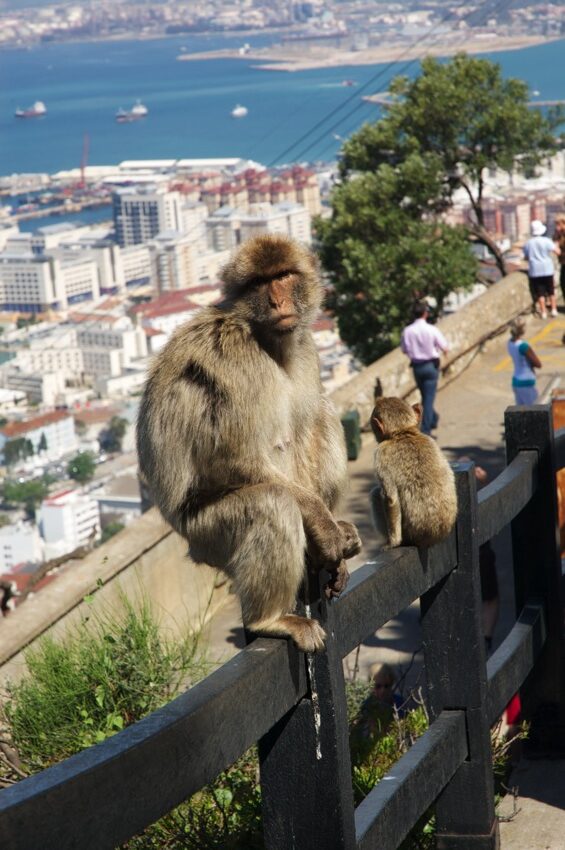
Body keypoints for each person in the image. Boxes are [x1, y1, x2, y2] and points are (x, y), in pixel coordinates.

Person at [400, 300, 449, 435]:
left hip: (417, 367)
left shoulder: (407, 331)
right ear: (425, 314)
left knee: (426, 396)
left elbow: (404, 350)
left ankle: (433, 419)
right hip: (431, 366)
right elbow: (445, 347)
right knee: (428, 398)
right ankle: (426, 430)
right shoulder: (432, 329)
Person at [523, 219, 560, 319]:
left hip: (535, 271)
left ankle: (543, 312)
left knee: (540, 293)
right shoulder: (546, 241)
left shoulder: (528, 243)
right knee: (551, 290)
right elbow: (557, 251)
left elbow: (526, 257)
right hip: (547, 269)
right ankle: (554, 309)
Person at [507, 317, 541, 405]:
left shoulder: (510, 343)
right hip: (526, 382)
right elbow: (538, 364)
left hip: (516, 381)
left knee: (521, 411)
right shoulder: (523, 346)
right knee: (535, 410)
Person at [552, 213, 565, 306]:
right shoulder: (558, 235)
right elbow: (556, 249)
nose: (557, 227)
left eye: (558, 224)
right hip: (563, 263)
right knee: (563, 284)